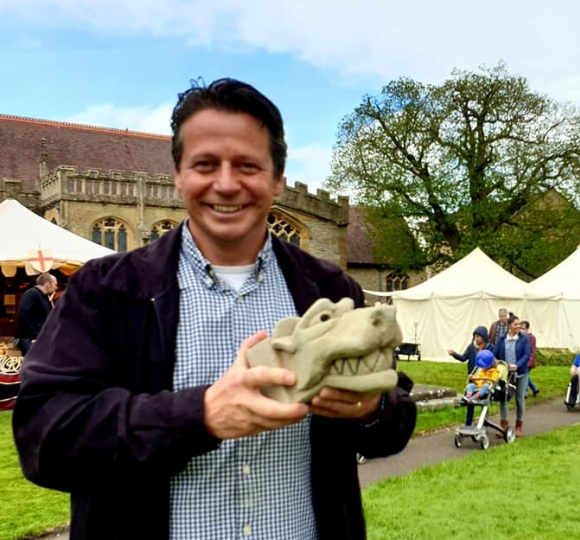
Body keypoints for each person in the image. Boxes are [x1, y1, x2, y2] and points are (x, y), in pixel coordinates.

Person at [12, 78, 417, 540]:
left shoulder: (327, 287)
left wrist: (369, 408)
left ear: (277, 179)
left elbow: (394, 420)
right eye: (205, 165)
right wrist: (198, 415)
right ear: (178, 175)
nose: (226, 184)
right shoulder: (105, 290)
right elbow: (45, 438)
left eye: (247, 165)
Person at [448, 326, 494, 426]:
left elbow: (493, 363)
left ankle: (484, 422)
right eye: (474, 336)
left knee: (483, 401)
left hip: (485, 378)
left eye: (478, 336)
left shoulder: (490, 348)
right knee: (470, 402)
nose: (476, 338)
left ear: (484, 337)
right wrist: (454, 354)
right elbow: (464, 358)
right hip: (473, 378)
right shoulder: (471, 347)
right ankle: (468, 423)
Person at [494, 314, 530, 437]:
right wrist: (496, 362)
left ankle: (519, 427)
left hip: (520, 373)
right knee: (503, 399)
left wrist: (517, 365)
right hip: (506, 374)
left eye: (519, 324)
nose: (518, 326)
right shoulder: (501, 339)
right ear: (509, 326)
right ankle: (503, 427)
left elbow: (526, 355)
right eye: (515, 324)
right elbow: (495, 354)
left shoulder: (524, 339)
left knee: (519, 399)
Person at [13, 272, 57, 355]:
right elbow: (23, 315)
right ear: (47, 284)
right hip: (26, 338)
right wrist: (34, 336)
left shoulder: (43, 296)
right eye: (55, 284)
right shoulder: (32, 294)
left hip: (34, 337)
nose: (56, 288)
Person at [521, 320, 539, 398]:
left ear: (527, 329)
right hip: (522, 361)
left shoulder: (532, 338)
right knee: (526, 377)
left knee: (524, 376)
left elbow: (532, 351)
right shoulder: (520, 337)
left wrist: (529, 362)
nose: (522, 330)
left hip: (528, 361)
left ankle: (524, 393)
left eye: (523, 328)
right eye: (521, 328)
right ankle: (534, 388)